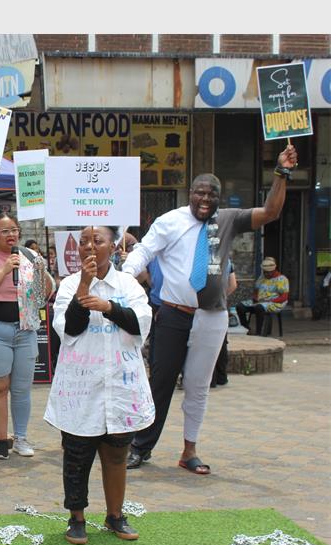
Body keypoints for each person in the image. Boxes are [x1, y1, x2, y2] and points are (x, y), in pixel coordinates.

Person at [122, 144, 298, 475]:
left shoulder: (228, 219)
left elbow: (271, 212)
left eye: (212, 195)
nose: (205, 200)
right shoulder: (170, 221)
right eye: (200, 193)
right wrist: (123, 278)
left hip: (212, 317)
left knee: (198, 386)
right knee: (160, 383)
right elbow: (144, 251)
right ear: (190, 194)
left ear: (219, 198)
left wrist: (281, 172)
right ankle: (140, 448)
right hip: (174, 314)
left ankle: (189, 451)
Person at [45, 225, 154, 544]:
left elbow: (140, 325)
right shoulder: (67, 286)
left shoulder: (128, 285)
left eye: (98, 240)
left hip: (120, 386)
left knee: (117, 454)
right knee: (76, 454)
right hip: (81, 387)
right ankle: (76, 517)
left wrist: (109, 307)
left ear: (113, 245)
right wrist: (84, 286)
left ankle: (115, 515)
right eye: (83, 242)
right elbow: (70, 329)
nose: (89, 246)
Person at [0, 212, 55, 459]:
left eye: (14, 230)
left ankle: (22, 438)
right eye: (5, 231)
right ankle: (2, 440)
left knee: (22, 388)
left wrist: (42, 272)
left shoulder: (29, 256)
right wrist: (4, 270)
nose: (11, 235)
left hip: (24, 329)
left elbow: (43, 295)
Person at [236, 257, 289, 336]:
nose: (266, 274)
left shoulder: (282, 279)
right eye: (265, 272)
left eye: (269, 272)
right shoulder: (262, 278)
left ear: (274, 270)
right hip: (260, 301)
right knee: (240, 306)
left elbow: (284, 297)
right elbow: (256, 290)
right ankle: (246, 328)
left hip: (275, 302)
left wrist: (268, 301)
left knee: (259, 307)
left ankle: (259, 332)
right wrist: (255, 297)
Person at [211, 261, 237, 387]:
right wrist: (222, 296)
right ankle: (221, 376)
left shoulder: (201, 258)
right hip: (221, 306)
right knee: (221, 342)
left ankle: (212, 379)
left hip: (205, 306)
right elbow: (233, 284)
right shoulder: (227, 261)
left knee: (206, 343)